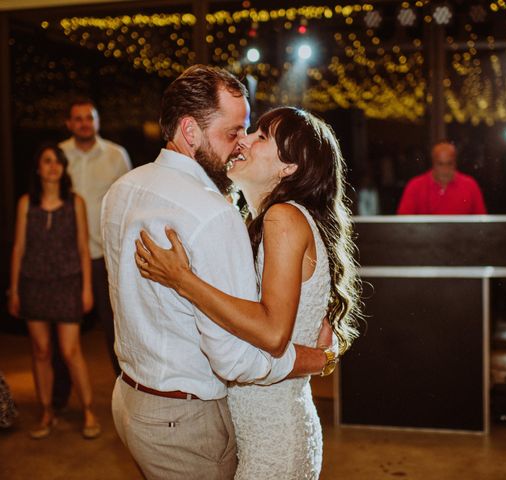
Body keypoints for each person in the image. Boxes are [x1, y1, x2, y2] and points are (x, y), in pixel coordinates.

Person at [102, 66, 339, 480]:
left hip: (131, 399)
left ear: (289, 167)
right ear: (190, 131)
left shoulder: (123, 188)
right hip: (185, 420)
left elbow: (266, 332)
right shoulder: (215, 215)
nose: (242, 143)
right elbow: (235, 360)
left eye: (254, 134)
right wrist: (316, 359)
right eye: (235, 132)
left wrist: (184, 280)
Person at [8, 144, 101, 439]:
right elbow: (19, 248)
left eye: (58, 162)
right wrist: (14, 290)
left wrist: (86, 288)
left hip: (68, 282)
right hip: (33, 283)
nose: (53, 166)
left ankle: (88, 409)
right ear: (38, 168)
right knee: (41, 351)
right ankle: (47, 411)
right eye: (47, 161)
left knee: (71, 350)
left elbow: (83, 248)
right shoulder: (26, 204)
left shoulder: (76, 203)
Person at [59, 98, 131, 380]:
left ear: (98, 121)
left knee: (115, 328)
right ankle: (59, 399)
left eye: (89, 118)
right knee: (62, 331)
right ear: (68, 123)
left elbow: (127, 205)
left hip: (105, 256)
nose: (84, 124)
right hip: (66, 257)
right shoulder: (59, 155)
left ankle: (123, 386)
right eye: (77, 119)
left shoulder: (116, 155)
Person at [397, 141, 487, 215]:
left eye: (449, 163)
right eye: (440, 164)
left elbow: (481, 224)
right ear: (433, 163)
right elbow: (403, 225)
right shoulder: (415, 186)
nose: (445, 169)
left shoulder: (470, 185)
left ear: (455, 163)